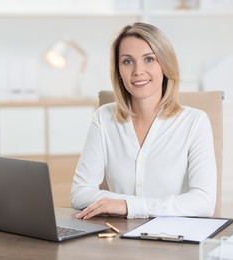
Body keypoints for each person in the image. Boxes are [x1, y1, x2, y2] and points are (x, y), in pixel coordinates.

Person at [71, 22, 217, 219]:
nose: (138, 71)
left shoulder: (195, 122)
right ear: (119, 72)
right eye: (127, 61)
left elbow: (203, 202)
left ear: (165, 66)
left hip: (174, 239)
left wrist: (128, 206)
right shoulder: (103, 118)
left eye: (149, 59)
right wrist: (128, 206)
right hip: (119, 237)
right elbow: (80, 194)